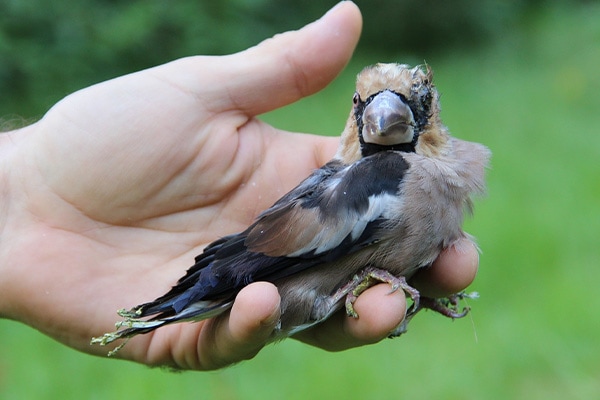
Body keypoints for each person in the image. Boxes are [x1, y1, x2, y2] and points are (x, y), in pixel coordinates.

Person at [0, 2, 478, 371]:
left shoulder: (417, 182)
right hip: (264, 272)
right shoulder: (395, 182)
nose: (386, 114)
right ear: (359, 115)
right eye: (367, 104)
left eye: (410, 104)